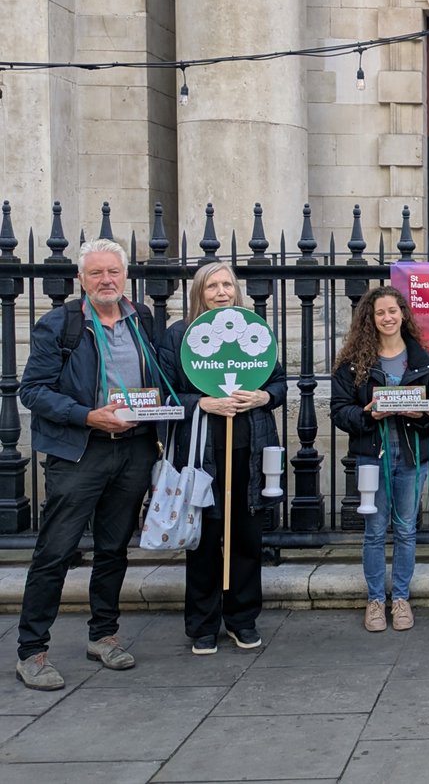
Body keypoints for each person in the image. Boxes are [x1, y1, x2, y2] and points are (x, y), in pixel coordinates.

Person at [16, 239, 162, 690]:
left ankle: (103, 635)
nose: (106, 281)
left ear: (125, 276)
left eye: (113, 272)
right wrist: (86, 415)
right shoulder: (59, 326)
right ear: (82, 280)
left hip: (133, 447)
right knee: (55, 552)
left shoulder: (143, 321)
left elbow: (159, 377)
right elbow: (33, 391)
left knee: (114, 547)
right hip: (80, 451)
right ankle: (32, 651)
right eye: (96, 273)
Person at [158, 262, 286, 655]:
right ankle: (202, 624)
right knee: (205, 540)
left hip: (249, 452)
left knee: (247, 540)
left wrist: (265, 397)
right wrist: (202, 403)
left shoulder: (253, 332)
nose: (221, 291)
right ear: (199, 292)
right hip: (202, 456)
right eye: (212, 285)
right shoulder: (179, 336)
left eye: (227, 284)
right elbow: (165, 396)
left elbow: (277, 382)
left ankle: (242, 619)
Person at [332, 286, 429, 632]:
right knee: (373, 531)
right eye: (380, 312)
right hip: (372, 457)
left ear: (403, 314)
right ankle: (374, 600)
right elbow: (339, 411)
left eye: (393, 311)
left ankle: (400, 598)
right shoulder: (353, 364)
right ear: (370, 319)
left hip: (412, 457)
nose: (387, 317)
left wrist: (424, 412)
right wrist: (368, 415)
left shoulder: (425, 361)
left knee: (405, 530)